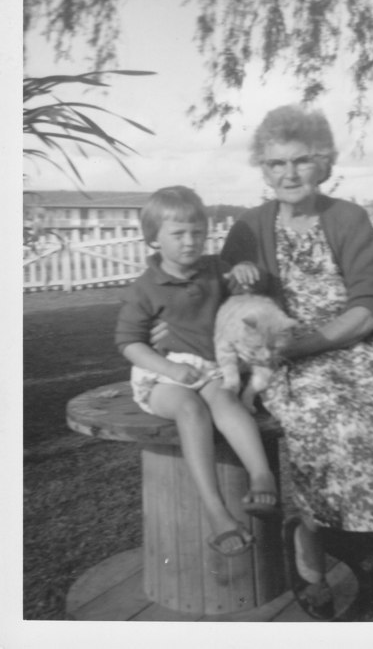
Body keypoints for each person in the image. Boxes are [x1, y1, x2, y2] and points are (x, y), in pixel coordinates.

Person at [218, 105, 373, 619]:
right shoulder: (249, 227)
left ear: (324, 165)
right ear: (263, 169)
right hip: (286, 357)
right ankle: (311, 552)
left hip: (352, 344)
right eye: (276, 164)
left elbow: (372, 308)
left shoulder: (348, 218)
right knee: (320, 421)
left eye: (301, 161)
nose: (289, 174)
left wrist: (312, 343)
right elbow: (218, 295)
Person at [115, 186, 278, 557]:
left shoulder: (214, 270)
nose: (190, 242)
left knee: (225, 400)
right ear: (154, 239)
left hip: (209, 367)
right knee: (190, 409)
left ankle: (260, 473)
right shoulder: (144, 288)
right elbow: (129, 343)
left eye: (198, 233)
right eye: (178, 234)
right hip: (160, 375)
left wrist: (244, 271)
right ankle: (217, 511)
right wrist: (168, 366)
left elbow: (246, 287)